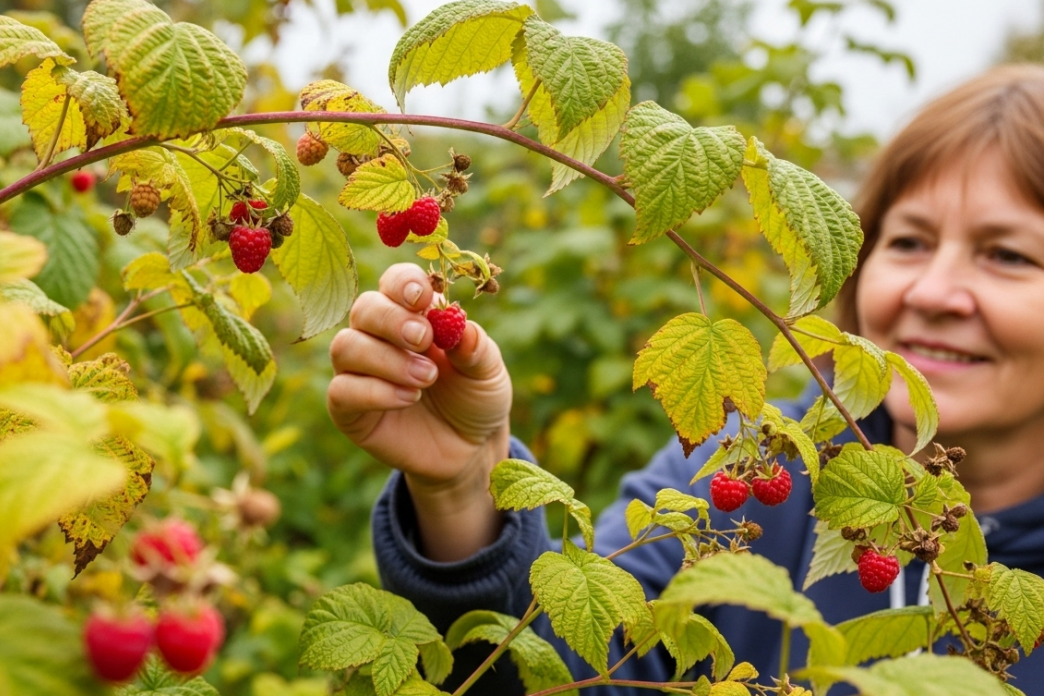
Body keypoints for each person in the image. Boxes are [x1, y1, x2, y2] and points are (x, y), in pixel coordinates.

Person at [327, 64, 1044, 694]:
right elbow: (570, 669)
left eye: (1008, 255)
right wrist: (463, 490)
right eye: (910, 241)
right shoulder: (749, 465)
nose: (934, 292)